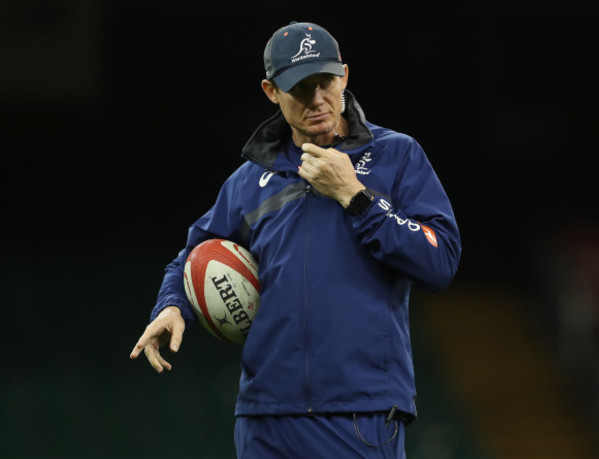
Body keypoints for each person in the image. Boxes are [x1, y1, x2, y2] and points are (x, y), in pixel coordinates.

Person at [130, 20, 461, 458]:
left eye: (325, 82)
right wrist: (172, 304)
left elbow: (439, 262)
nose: (318, 99)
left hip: (360, 414)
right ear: (271, 91)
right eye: (301, 88)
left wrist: (355, 197)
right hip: (265, 418)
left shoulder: (396, 156)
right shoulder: (249, 181)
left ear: (343, 76)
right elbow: (194, 253)